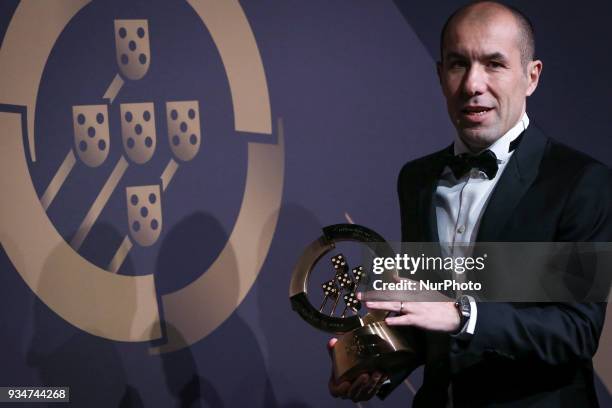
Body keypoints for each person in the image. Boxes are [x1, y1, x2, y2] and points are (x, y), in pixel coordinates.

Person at [328, 1, 612, 406]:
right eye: (458, 64)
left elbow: (576, 330)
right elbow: (430, 310)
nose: (473, 84)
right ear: (440, 75)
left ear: (532, 76)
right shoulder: (417, 180)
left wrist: (464, 315)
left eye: (494, 64)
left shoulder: (582, 182)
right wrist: (374, 364)